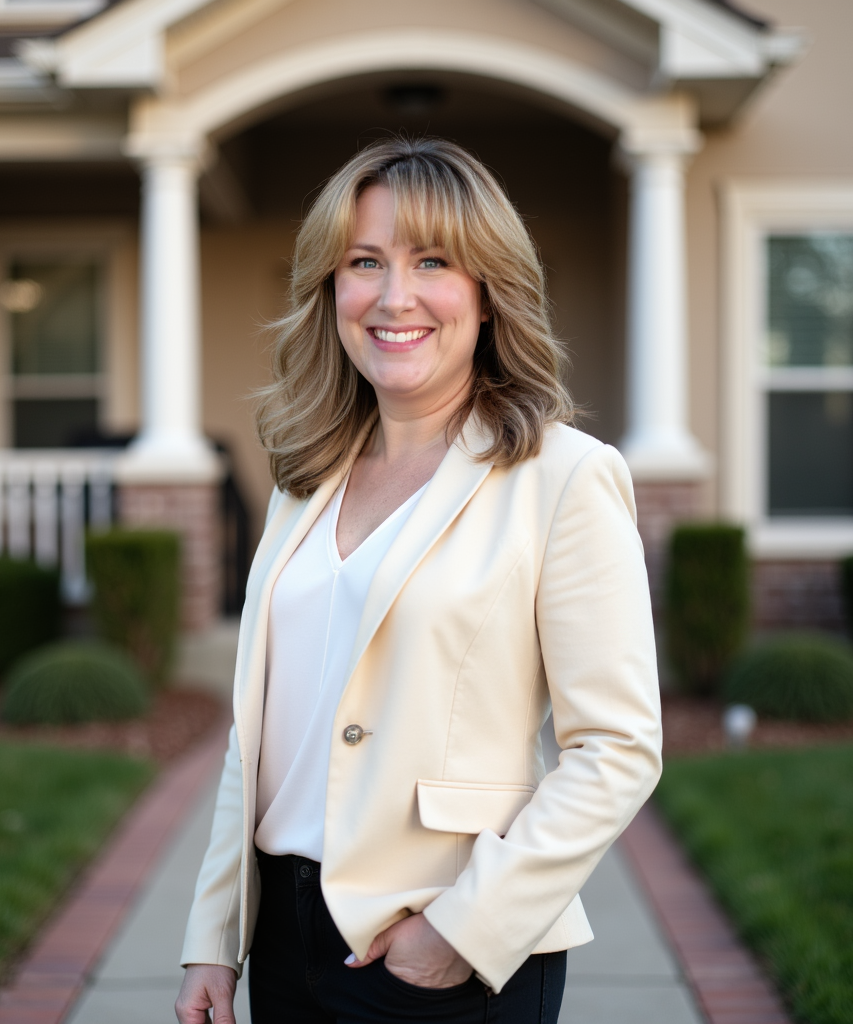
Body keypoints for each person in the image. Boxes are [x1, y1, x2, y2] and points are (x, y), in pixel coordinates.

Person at [175, 137, 661, 1024]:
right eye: (365, 262)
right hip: (281, 940)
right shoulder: (304, 482)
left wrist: (461, 933)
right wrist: (215, 933)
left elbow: (618, 749)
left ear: (488, 291)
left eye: (432, 261)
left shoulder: (564, 477)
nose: (394, 296)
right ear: (331, 289)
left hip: (442, 947)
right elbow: (259, 736)